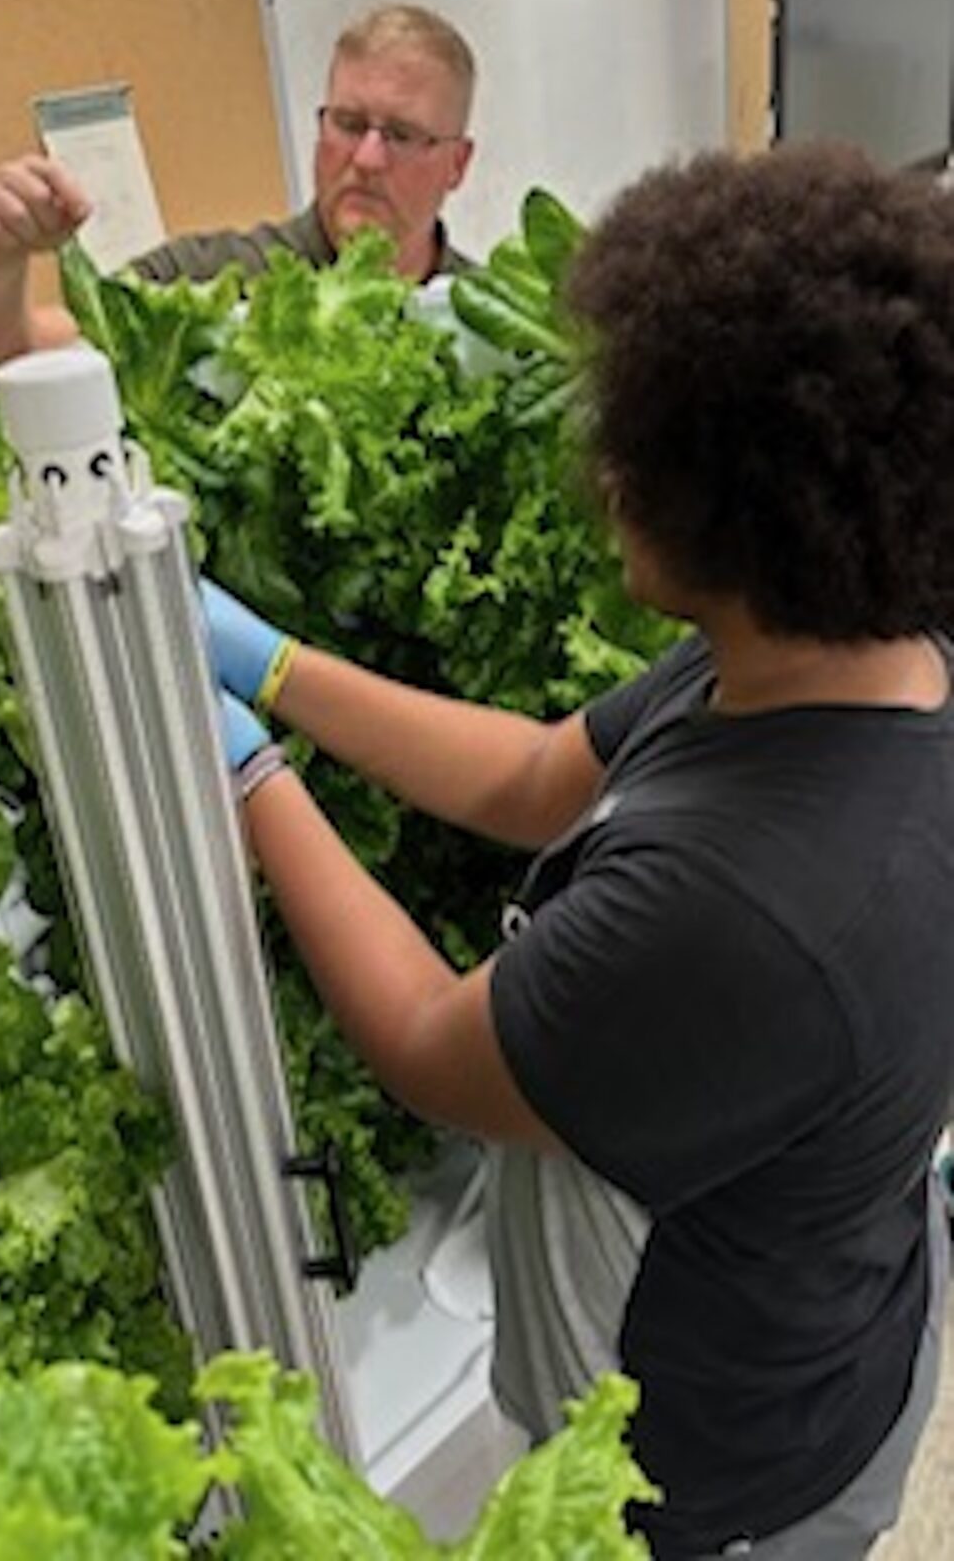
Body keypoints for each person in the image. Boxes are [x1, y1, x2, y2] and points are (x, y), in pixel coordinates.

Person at [197, 142, 954, 1559]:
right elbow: (537, 774)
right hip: (826, 1322)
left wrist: (243, 779)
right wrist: (272, 663)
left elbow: (432, 1047)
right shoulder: (832, 653)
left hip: (716, 1478)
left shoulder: (732, 907)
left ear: (739, 508)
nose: (602, 470)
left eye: (636, 446)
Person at [0, 2, 477, 363]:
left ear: (457, 164)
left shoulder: (492, 317)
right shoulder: (215, 278)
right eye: (349, 123)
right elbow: (6, 362)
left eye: (402, 134)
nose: (366, 157)